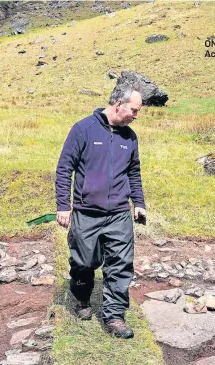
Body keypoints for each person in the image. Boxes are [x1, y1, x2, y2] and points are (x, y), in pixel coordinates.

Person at [55, 84, 146, 339]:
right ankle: (82, 297)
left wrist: (138, 203)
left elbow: (133, 172)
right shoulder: (83, 129)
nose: (136, 116)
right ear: (119, 104)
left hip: (119, 213)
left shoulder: (130, 137)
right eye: (134, 110)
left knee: (120, 265)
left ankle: (114, 317)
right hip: (86, 212)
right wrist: (63, 206)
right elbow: (64, 169)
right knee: (84, 263)